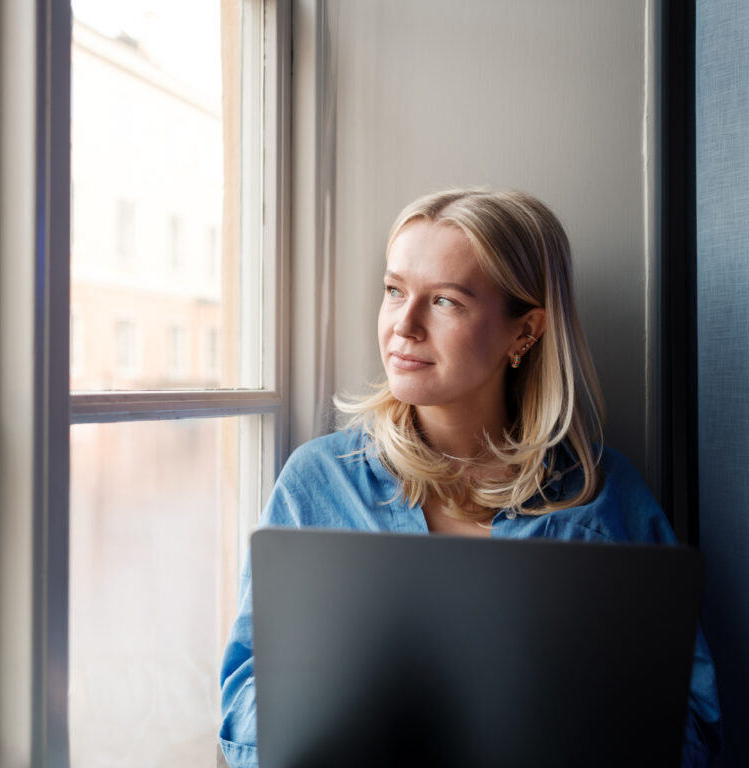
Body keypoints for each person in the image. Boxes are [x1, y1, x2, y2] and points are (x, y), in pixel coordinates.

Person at [218, 188, 722, 767]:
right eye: (394, 291)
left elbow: (692, 729)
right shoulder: (317, 481)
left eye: (445, 302)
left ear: (524, 331)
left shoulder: (605, 496)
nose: (404, 326)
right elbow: (243, 707)